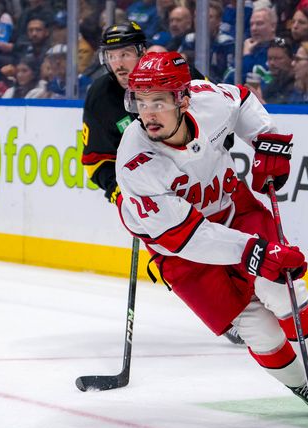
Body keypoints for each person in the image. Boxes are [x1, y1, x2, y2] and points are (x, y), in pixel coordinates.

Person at [114, 51, 308, 422]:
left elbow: (242, 99)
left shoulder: (208, 100)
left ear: (183, 98)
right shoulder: (136, 160)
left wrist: (268, 141)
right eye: (140, 102)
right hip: (182, 253)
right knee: (258, 330)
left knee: (281, 286)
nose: (147, 113)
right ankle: (305, 387)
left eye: (158, 102)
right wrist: (254, 251)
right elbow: (190, 237)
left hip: (235, 212)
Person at [81, 22, 241, 346]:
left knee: (226, 233)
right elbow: (95, 159)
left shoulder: (175, 72)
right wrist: (118, 190)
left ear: (142, 51)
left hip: (200, 174)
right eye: (111, 56)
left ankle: (253, 300)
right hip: (149, 184)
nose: (119, 63)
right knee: (177, 246)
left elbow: (216, 113)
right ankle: (231, 314)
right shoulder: (100, 95)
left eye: (125, 53)